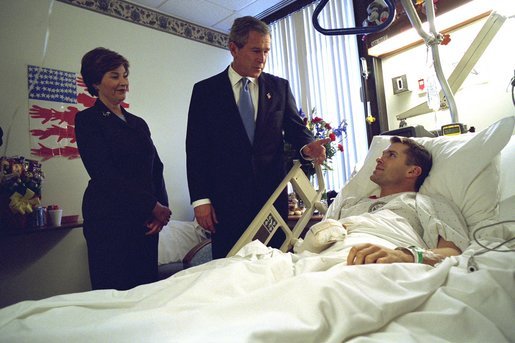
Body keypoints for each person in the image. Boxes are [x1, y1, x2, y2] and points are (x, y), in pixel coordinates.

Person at [186, 16, 330, 259]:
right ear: (233, 48)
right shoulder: (205, 92)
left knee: (274, 262)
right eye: (255, 50)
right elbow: (196, 149)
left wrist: (308, 147)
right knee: (229, 267)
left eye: (266, 51)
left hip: (271, 197)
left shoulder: (279, 87)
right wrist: (200, 200)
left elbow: (296, 129)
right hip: (226, 201)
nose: (262, 58)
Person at [75, 47, 172, 290]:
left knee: (145, 290)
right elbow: (104, 173)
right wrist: (153, 206)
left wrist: (162, 210)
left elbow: (156, 167)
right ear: (96, 82)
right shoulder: (88, 120)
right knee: (114, 293)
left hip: (145, 222)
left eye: (125, 75)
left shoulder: (139, 123)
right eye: (114, 76)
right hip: (109, 221)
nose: (123, 82)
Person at [321, 136, 469, 266]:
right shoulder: (351, 204)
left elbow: (453, 253)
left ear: (412, 171)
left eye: (391, 155)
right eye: (382, 154)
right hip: (328, 259)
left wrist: (403, 256)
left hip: (381, 264)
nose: (379, 159)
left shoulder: (429, 204)